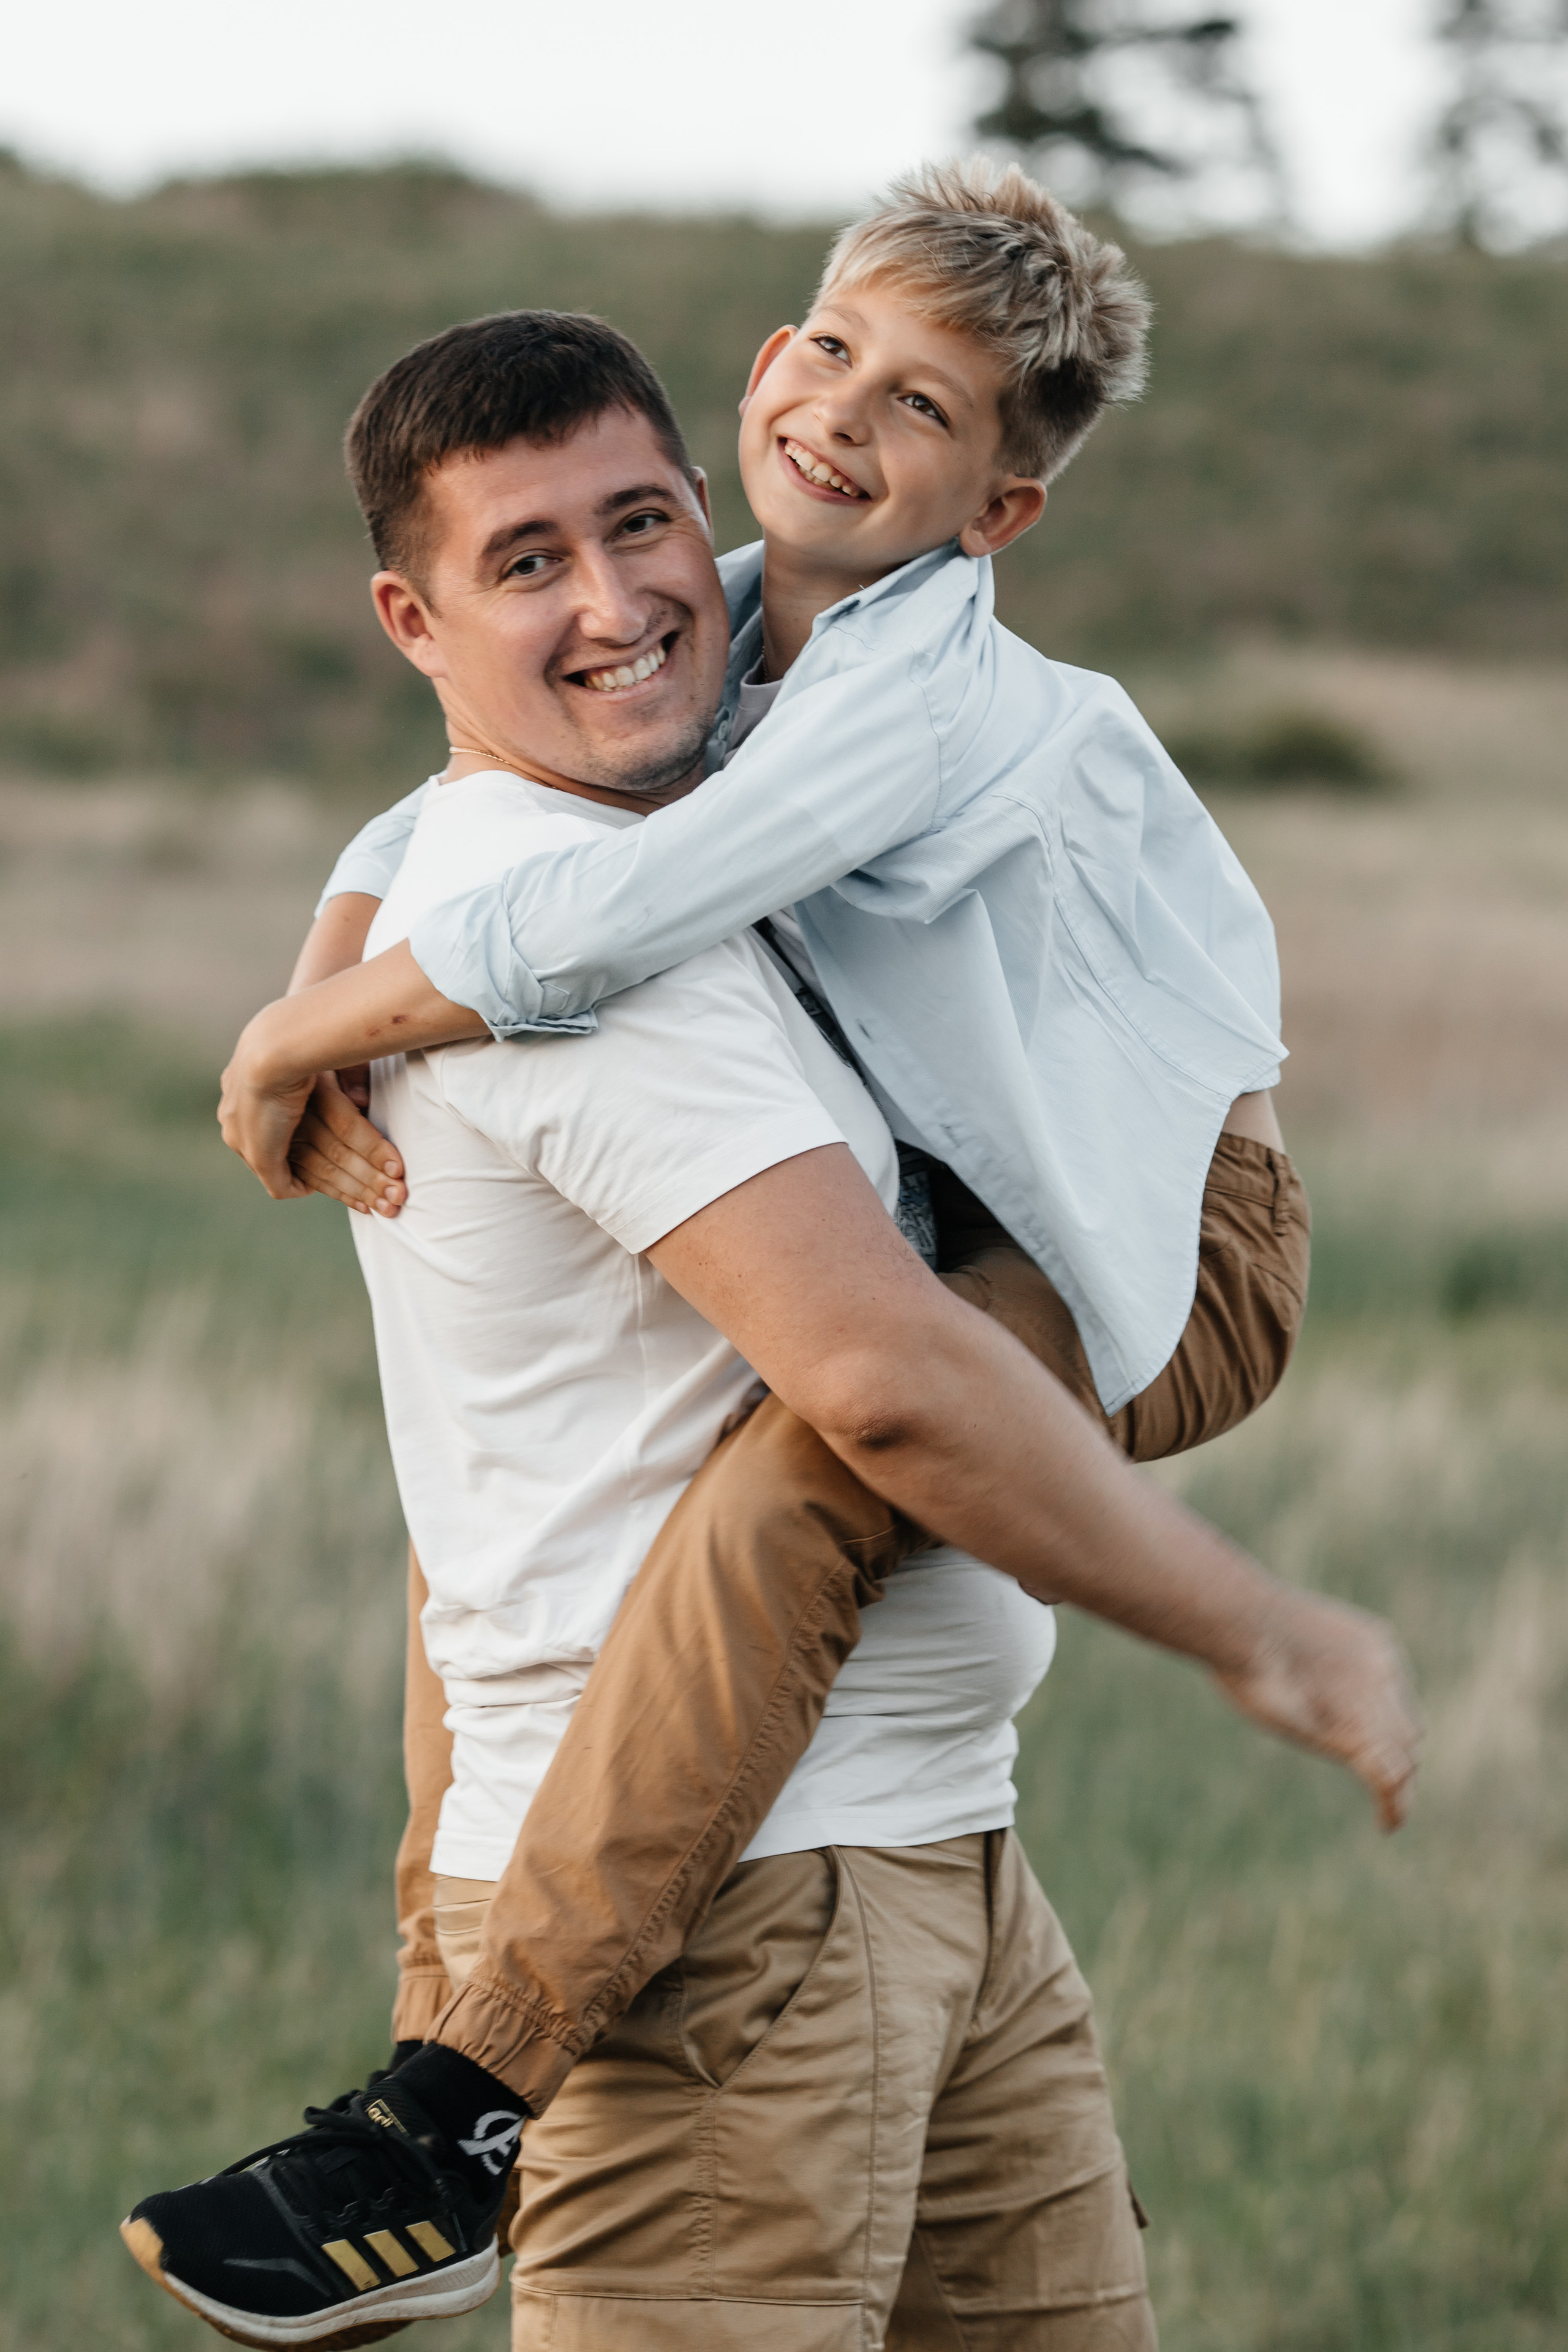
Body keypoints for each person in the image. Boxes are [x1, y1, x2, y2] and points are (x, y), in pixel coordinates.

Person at [126, 187, 1415, 2349]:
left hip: (1177, 1243)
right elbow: (434, 835)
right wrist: (334, 954)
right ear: (765, 367)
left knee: (833, 1448)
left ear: (998, 504)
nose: (625, 601)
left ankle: (450, 2097)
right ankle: (454, 2088)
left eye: (915, 405)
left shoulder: (874, 704)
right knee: (836, 1432)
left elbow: (623, 909)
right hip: (782, 1921)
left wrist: (304, 1033)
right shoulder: (736, 646)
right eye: (828, 355)